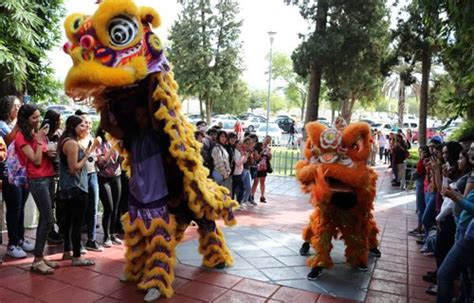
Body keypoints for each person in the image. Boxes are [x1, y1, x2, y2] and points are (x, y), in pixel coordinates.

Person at [100, 104, 177, 301]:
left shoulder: (158, 136)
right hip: (136, 195)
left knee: (159, 242)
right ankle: (135, 271)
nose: (142, 118)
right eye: (138, 115)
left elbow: (152, 115)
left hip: (156, 196)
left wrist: (151, 89)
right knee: (135, 237)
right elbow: (107, 126)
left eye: (144, 115)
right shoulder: (131, 137)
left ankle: (158, 282)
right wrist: (104, 101)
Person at [15, 104, 58, 274]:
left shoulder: (34, 133)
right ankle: (37, 260)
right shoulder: (21, 136)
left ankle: (40, 256)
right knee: (48, 220)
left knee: (44, 219)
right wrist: (40, 141)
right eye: (34, 117)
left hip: (48, 177)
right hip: (38, 180)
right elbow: (36, 160)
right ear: (25, 119)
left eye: (39, 116)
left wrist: (49, 150)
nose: (38, 120)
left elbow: (43, 152)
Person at [58, 115, 100, 266]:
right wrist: (89, 153)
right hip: (75, 188)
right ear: (73, 127)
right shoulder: (71, 144)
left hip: (68, 188)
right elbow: (73, 168)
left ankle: (67, 251)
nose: (86, 127)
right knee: (76, 223)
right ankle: (76, 256)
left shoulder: (67, 141)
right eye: (82, 125)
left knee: (69, 222)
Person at [0, 96, 33, 258]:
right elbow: (9, 140)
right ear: (7, 108)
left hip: (23, 170)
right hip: (10, 172)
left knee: (21, 206)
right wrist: (21, 122)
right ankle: (12, 244)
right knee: (14, 207)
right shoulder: (2, 125)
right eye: (15, 106)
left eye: (20, 106)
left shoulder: (21, 125)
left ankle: (20, 239)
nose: (18, 109)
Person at [75, 110, 102, 252]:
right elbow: (79, 159)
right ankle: (77, 242)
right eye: (85, 123)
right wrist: (93, 147)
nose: (88, 125)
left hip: (93, 174)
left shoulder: (91, 137)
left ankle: (91, 240)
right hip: (81, 176)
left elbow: (94, 158)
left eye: (90, 123)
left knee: (93, 208)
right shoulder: (75, 140)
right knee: (80, 210)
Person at [95, 127, 123, 247]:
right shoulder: (99, 143)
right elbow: (101, 164)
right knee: (109, 207)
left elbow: (121, 160)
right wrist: (112, 149)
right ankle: (106, 236)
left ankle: (112, 234)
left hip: (116, 176)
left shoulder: (116, 141)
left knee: (116, 207)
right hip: (103, 178)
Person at [42, 109, 64, 244]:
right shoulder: (43, 134)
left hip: (59, 172)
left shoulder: (60, 133)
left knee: (59, 203)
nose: (60, 122)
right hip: (47, 173)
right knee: (49, 205)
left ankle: (60, 229)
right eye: (58, 120)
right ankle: (50, 231)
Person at [252, 135, 272, 203]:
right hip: (257, 166)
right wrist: (262, 152)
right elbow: (256, 157)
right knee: (256, 181)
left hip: (264, 167)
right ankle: (252, 196)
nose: (267, 142)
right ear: (264, 139)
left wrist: (270, 155)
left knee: (262, 182)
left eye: (269, 141)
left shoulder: (268, 148)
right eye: (267, 139)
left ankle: (262, 196)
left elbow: (268, 159)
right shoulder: (258, 145)